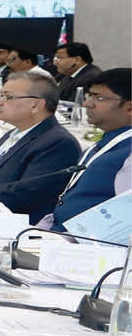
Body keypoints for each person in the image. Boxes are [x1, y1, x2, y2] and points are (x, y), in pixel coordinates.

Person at [0, 72, 80, 221]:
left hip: (7, 223)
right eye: (1, 95)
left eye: (8, 97)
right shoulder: (14, 133)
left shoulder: (59, 142)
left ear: (35, 105)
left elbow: (26, 194)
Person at [44, 68, 132, 231]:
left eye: (99, 98)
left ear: (129, 108)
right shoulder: (103, 144)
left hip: (87, 243)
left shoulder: (128, 154)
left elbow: (127, 222)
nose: (87, 104)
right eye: (89, 96)